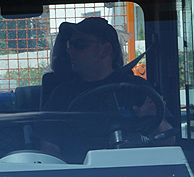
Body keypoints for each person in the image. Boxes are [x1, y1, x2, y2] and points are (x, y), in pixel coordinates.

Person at [38, 17, 171, 162]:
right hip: (80, 173)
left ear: (105, 50)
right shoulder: (61, 94)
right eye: (70, 45)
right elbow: (48, 149)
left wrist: (151, 117)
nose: (70, 50)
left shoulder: (138, 89)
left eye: (79, 45)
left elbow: (168, 143)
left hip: (134, 170)